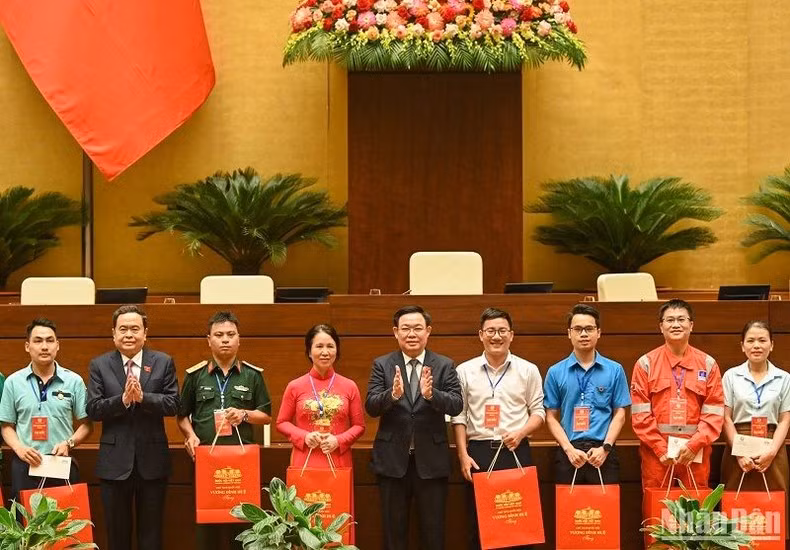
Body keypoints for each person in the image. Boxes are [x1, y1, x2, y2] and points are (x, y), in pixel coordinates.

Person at [365, 305, 463, 550]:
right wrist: (392, 394)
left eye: (418, 328)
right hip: (392, 463)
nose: (412, 334)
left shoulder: (444, 365)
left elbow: (456, 405)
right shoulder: (382, 364)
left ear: (428, 331)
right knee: (393, 533)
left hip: (431, 463)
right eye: (405, 328)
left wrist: (432, 395)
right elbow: (371, 406)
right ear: (395, 332)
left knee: (433, 532)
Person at [452, 307, 545, 550]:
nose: (496, 336)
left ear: (511, 335)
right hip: (479, 453)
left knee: (520, 526)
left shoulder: (528, 369)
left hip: (516, 450)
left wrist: (521, 432)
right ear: (480, 334)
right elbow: (459, 416)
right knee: (481, 526)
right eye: (491, 331)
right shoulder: (464, 370)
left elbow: (539, 412)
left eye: (502, 331)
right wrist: (463, 455)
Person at [87, 305, 179, 550]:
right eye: (123, 329)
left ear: (145, 333)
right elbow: (93, 409)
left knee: (151, 535)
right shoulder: (99, 365)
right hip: (114, 464)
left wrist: (143, 398)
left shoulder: (163, 362)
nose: (129, 334)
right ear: (114, 334)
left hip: (153, 463)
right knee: (117, 535)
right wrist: (124, 400)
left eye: (135, 329)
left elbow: (173, 404)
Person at [177, 310, 272, 550]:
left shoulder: (253, 375)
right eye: (219, 335)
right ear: (209, 340)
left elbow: (266, 416)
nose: (225, 339)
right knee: (206, 528)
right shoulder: (195, 375)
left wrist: (244, 414)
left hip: (240, 463)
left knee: (241, 526)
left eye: (231, 334)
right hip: (205, 461)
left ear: (239, 339)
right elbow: (181, 416)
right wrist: (190, 435)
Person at [631, 299, 725, 493]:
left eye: (681, 319)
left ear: (691, 325)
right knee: (656, 516)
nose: (675, 324)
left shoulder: (708, 364)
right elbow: (640, 415)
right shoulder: (645, 364)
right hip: (657, 456)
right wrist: (660, 448)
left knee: (694, 515)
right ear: (661, 327)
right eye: (670, 320)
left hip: (695, 454)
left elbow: (714, 413)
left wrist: (693, 445)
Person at [0, 318, 92, 504]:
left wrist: (69, 443)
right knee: (25, 528)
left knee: (63, 528)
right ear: (27, 346)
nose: (44, 346)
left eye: (50, 340)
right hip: (26, 464)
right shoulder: (13, 382)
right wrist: (19, 448)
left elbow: (87, 425)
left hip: (60, 463)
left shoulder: (73, 381)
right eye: (38, 340)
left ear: (57, 346)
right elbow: (6, 426)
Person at [544, 304, 630, 485]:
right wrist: (569, 450)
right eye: (578, 329)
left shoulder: (614, 370)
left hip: (603, 452)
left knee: (605, 512)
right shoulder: (555, 372)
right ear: (569, 333)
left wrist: (605, 448)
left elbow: (620, 414)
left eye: (589, 329)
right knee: (568, 511)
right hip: (569, 454)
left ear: (598, 332)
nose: (583, 334)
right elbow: (550, 416)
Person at [721, 321, 790, 533]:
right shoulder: (731, 376)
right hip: (738, 444)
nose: (756, 345)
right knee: (735, 505)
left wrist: (771, 451)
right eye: (750, 340)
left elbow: (785, 418)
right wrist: (740, 453)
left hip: (773, 444)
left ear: (772, 345)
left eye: (762, 340)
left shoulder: (784, 378)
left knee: (774, 509)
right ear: (742, 346)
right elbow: (725, 417)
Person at [277, 323, 365, 468]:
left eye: (330, 346)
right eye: (319, 346)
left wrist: (339, 440)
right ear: (310, 352)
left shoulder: (350, 386)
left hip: (338, 459)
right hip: (305, 459)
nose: (325, 352)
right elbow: (282, 423)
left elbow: (359, 426)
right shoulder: (295, 386)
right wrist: (304, 436)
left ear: (337, 351)